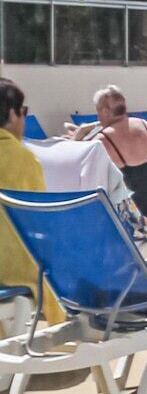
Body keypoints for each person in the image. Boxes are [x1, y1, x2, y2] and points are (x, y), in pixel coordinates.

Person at [73, 85, 147, 225]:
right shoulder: (145, 126)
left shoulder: (102, 141)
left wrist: (79, 134)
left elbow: (76, 165)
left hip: (132, 212)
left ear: (106, 112)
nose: (98, 117)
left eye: (98, 112)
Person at [0, 80, 63, 324]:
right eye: (23, 112)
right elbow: (41, 224)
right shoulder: (24, 160)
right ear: (13, 114)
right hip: (14, 272)